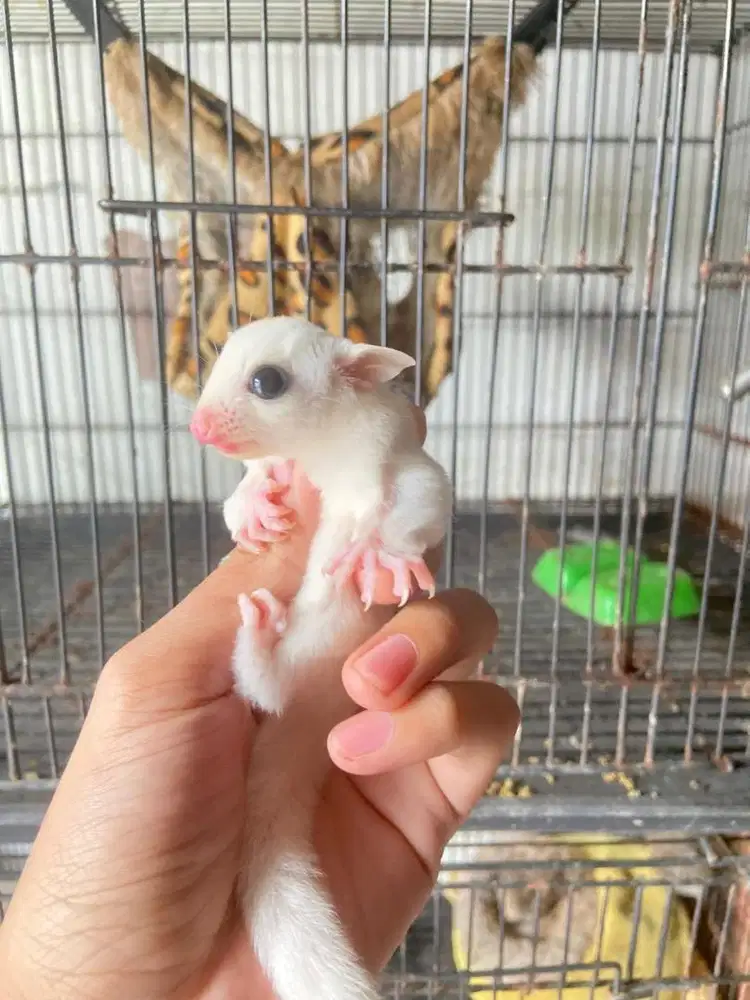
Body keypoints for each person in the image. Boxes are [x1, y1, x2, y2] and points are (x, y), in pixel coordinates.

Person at [0, 413, 519, 1000]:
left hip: (318, 701)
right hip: (289, 695)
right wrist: (253, 509)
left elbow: (425, 496)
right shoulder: (282, 461)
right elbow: (243, 507)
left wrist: (394, 540)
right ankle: (259, 656)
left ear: (347, 379)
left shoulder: (371, 439)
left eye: (264, 384)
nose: (205, 422)